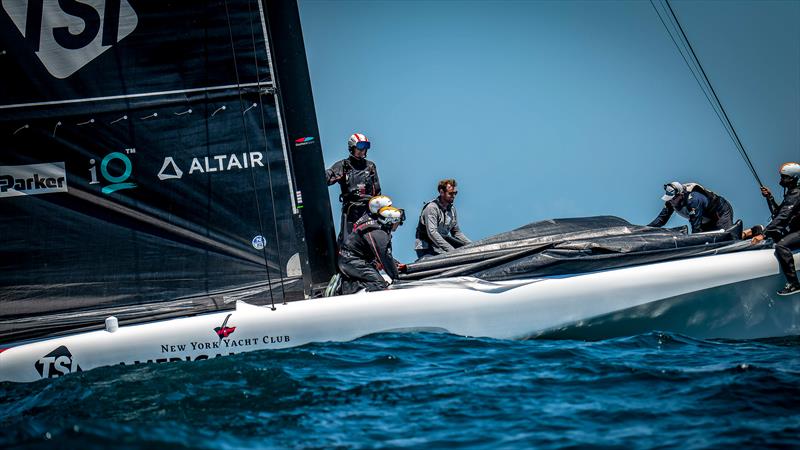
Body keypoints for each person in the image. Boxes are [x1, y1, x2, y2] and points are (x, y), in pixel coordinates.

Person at [338, 196, 406, 295]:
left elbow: (381, 254)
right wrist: (398, 278)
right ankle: (344, 287)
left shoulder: (373, 220)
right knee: (379, 284)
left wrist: (396, 264)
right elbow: (384, 256)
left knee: (379, 279)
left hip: (357, 258)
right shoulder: (376, 231)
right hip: (351, 260)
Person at [750, 162, 800, 296]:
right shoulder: (791, 193)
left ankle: (794, 284)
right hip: (794, 230)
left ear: (793, 179)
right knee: (768, 233)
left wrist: (764, 234)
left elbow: (783, 217)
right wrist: (770, 198)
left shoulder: (796, 194)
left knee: (781, 246)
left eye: (784, 177)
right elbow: (778, 213)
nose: (781, 180)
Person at [325, 133, 381, 244]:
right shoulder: (343, 166)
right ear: (352, 148)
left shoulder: (370, 167)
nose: (362, 150)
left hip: (368, 212)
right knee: (347, 242)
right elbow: (326, 178)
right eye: (359, 147)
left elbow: (377, 192)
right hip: (351, 212)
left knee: (373, 239)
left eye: (365, 148)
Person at [414, 178, 471, 260]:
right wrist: (452, 250)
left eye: (455, 193)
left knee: (466, 250)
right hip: (426, 248)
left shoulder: (452, 210)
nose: (454, 196)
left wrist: (473, 245)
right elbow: (432, 233)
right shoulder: (432, 208)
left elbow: (456, 232)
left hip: (441, 247)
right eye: (450, 193)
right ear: (441, 192)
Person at [647, 181, 734, 233]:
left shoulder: (694, 200)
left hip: (720, 212)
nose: (670, 201)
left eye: (672, 199)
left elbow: (696, 225)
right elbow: (660, 220)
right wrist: (644, 230)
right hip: (705, 220)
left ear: (680, 195)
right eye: (669, 199)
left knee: (725, 235)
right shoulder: (671, 202)